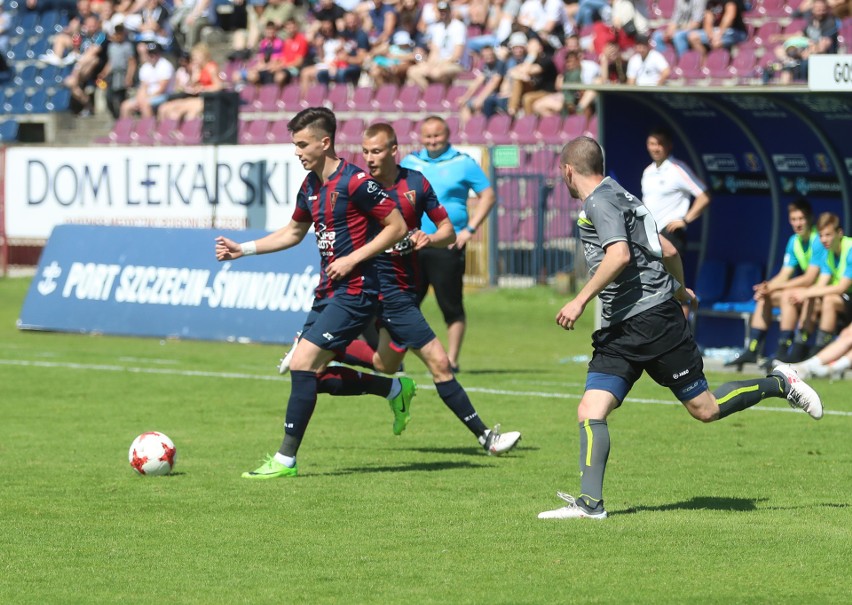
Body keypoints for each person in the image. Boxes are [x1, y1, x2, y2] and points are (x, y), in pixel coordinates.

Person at [538, 137, 823, 521]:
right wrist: (679, 289)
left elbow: (619, 255)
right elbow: (667, 250)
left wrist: (579, 299)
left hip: (651, 323)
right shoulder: (621, 195)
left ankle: (778, 383)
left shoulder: (599, 202)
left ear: (568, 171)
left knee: (705, 409)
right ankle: (590, 505)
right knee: (591, 408)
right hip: (622, 328)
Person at [215, 107, 409, 479]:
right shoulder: (310, 186)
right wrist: (244, 249)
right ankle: (393, 390)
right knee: (312, 376)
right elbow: (292, 233)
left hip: (357, 290)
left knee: (302, 364)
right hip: (327, 293)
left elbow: (396, 226)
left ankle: (285, 460)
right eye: (294, 144)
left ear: (325, 142)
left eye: (302, 144)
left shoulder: (356, 182)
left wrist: (353, 258)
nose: (297, 152)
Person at [336, 123, 522, 455]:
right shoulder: (357, 188)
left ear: (394, 150)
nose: (369, 158)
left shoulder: (416, 183)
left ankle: (322, 348)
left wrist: (428, 237)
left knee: (385, 365)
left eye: (375, 151)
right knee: (440, 363)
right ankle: (487, 438)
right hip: (381, 291)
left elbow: (448, 231)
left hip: (404, 288)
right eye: (364, 152)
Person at [400, 116, 496, 373]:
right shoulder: (410, 162)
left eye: (437, 136)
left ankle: (451, 360)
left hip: (447, 247)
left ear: (447, 135)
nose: (432, 141)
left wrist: (469, 230)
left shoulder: (463, 163)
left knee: (450, 304)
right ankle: (395, 357)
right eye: (427, 136)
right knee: (404, 303)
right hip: (413, 245)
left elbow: (488, 195)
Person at [725, 199, 824, 369]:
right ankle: (752, 350)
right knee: (765, 297)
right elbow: (785, 274)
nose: (797, 224)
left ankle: (782, 351)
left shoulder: (818, 239)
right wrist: (767, 287)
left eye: (801, 219)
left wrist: (775, 287)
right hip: (801, 294)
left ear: (809, 219)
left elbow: (809, 278)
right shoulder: (794, 241)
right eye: (793, 219)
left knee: (786, 295)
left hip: (819, 295)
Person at [783, 212, 852, 358]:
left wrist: (807, 292)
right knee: (811, 298)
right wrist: (804, 294)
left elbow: (842, 287)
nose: (824, 240)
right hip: (846, 300)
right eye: (821, 235)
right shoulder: (828, 253)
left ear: (840, 233)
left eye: (828, 235)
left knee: (828, 300)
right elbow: (821, 284)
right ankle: (797, 349)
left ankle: (820, 350)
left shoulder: (850, 248)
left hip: (846, 298)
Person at [640, 127, 710, 260]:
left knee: (671, 280)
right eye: (652, 144)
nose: (656, 148)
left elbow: (704, 195)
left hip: (671, 234)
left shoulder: (678, 169)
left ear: (669, 145)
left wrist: (685, 220)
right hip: (650, 236)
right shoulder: (647, 172)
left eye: (660, 144)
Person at [120, 42, 174, 118]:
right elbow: (143, 86)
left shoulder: (165, 65)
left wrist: (146, 98)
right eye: (150, 53)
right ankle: (125, 129)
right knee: (125, 106)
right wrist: (139, 98)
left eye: (154, 53)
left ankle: (148, 129)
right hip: (148, 96)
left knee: (145, 104)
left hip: (164, 96)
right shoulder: (145, 67)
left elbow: (162, 88)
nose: (152, 55)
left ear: (159, 53)